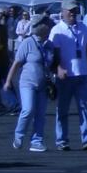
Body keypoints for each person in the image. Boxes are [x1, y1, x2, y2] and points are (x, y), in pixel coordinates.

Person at [48, 3, 87, 151]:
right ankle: (62, 140)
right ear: (62, 12)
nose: (72, 14)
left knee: (85, 107)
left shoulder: (82, 27)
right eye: (69, 11)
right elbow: (54, 54)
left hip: (82, 73)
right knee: (63, 109)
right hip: (66, 76)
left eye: (74, 11)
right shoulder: (57, 30)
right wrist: (58, 68)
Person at [6, 16, 57, 152]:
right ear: (41, 28)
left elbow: (52, 65)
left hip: (43, 84)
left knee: (40, 114)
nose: (50, 27)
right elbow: (16, 63)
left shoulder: (49, 45)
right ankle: (19, 134)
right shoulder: (27, 42)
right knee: (28, 110)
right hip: (28, 82)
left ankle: (36, 141)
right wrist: (8, 81)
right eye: (48, 25)